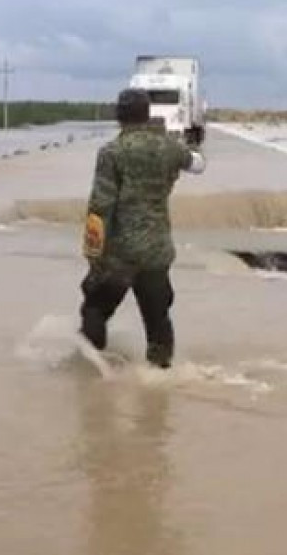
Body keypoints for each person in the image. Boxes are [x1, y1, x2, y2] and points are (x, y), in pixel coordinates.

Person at [79, 88, 206, 368]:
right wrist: (194, 145)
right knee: (158, 320)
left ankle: (91, 375)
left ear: (118, 116)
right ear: (148, 114)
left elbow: (100, 206)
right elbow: (198, 166)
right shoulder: (171, 148)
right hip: (156, 251)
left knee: (95, 310)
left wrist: (93, 255)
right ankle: (159, 380)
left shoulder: (111, 152)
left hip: (118, 254)